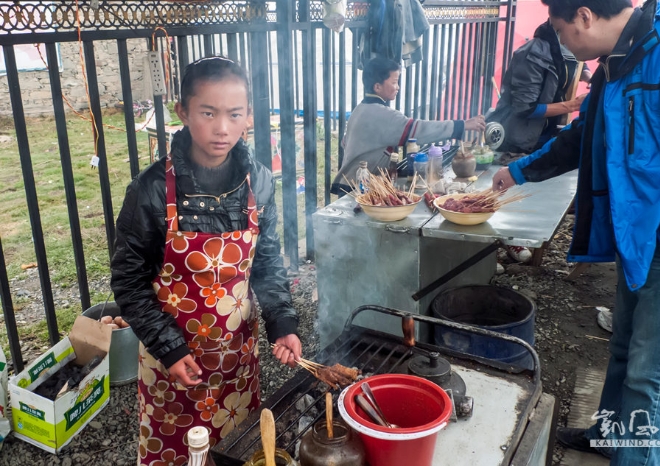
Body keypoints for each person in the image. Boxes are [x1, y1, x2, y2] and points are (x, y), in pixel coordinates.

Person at [492, 0, 660, 464]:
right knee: (624, 347)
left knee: (654, 376)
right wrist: (520, 171)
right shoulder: (614, 63)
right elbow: (584, 137)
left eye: (564, 32)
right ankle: (609, 436)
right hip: (638, 235)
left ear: (586, 15)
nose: (564, 43)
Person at [110, 57, 302, 465]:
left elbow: (265, 261)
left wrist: (283, 323)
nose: (222, 128)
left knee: (238, 448)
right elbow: (128, 282)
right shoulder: (150, 191)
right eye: (208, 113)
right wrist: (169, 348)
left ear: (248, 115)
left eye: (235, 114)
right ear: (182, 112)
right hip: (172, 364)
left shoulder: (260, 182)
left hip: (237, 356)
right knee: (178, 454)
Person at [331, 57, 486, 195]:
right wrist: (462, 125)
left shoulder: (361, 109)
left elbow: (345, 142)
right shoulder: (382, 114)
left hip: (350, 182)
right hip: (358, 187)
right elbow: (418, 130)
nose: (397, 87)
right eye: (393, 82)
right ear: (377, 87)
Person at [486, 20, 590, 156]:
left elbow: (575, 65)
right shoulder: (532, 55)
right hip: (519, 143)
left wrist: (588, 76)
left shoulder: (570, 46)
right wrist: (573, 105)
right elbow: (526, 108)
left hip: (548, 135)